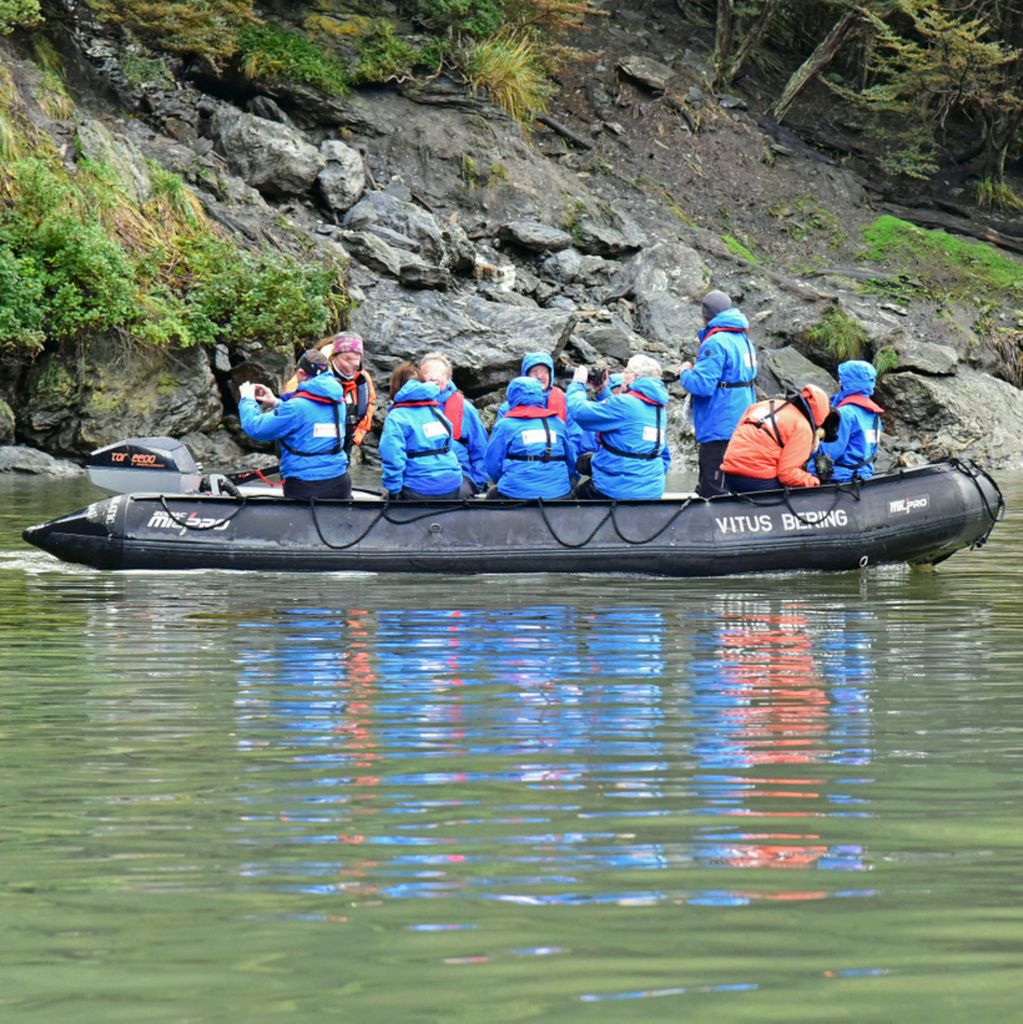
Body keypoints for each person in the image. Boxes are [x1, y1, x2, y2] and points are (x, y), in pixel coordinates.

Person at [238, 349, 351, 499]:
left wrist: (247, 400)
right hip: (340, 481)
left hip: (306, 485)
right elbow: (310, 418)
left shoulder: (294, 407)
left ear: (301, 373)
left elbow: (255, 428)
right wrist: (276, 402)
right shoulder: (338, 401)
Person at [678, 290, 757, 497]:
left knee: (712, 485)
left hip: (720, 423)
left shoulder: (715, 342)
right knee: (734, 480)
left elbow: (702, 386)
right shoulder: (744, 340)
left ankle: (708, 523)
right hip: (743, 420)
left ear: (705, 315)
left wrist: (685, 372)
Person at [566, 354, 671, 500]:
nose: (622, 376)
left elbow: (580, 413)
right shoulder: (659, 409)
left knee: (577, 494)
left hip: (619, 487)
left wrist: (577, 384)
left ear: (635, 377)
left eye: (626, 372)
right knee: (587, 462)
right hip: (652, 489)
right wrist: (602, 391)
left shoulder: (625, 404)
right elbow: (623, 418)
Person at [720, 384, 839, 493]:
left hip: (729, 472)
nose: (817, 444)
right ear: (819, 424)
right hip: (757, 478)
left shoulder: (767, 404)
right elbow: (787, 474)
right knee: (798, 494)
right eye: (821, 438)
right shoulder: (803, 428)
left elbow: (739, 430)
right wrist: (814, 482)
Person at [379, 362, 468, 501]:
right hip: (453, 484)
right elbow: (450, 445)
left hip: (419, 488)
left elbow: (393, 458)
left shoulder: (397, 417)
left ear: (396, 387)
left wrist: (393, 491)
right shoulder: (436, 411)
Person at [283, 331, 376, 457]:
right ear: (333, 358)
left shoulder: (363, 380)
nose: (353, 364)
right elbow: (288, 409)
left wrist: (356, 438)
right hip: (309, 446)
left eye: (357, 358)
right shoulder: (310, 375)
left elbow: (369, 406)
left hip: (345, 443)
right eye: (347, 359)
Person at [485, 376, 576, 500]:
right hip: (558, 493)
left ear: (512, 396)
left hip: (515, 493)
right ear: (540, 396)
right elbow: (571, 461)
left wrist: (506, 481)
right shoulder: (558, 423)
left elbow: (492, 464)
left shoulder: (504, 425)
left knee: (492, 495)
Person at [419, 351, 489, 494]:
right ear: (420, 378)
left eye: (440, 374)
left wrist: (478, 484)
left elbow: (481, 450)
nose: (434, 377)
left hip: (459, 476)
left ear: (448, 378)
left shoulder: (466, 409)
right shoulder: (410, 409)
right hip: (421, 476)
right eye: (428, 373)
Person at [813, 360, 884, 482]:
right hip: (864, 474)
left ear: (849, 383)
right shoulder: (874, 415)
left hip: (842, 477)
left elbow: (829, 453)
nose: (839, 382)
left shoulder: (846, 413)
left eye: (842, 379)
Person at [495, 351, 567, 421]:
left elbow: (574, 431)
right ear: (526, 375)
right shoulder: (507, 409)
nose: (539, 376)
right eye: (534, 371)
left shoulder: (565, 401)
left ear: (550, 375)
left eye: (544, 371)